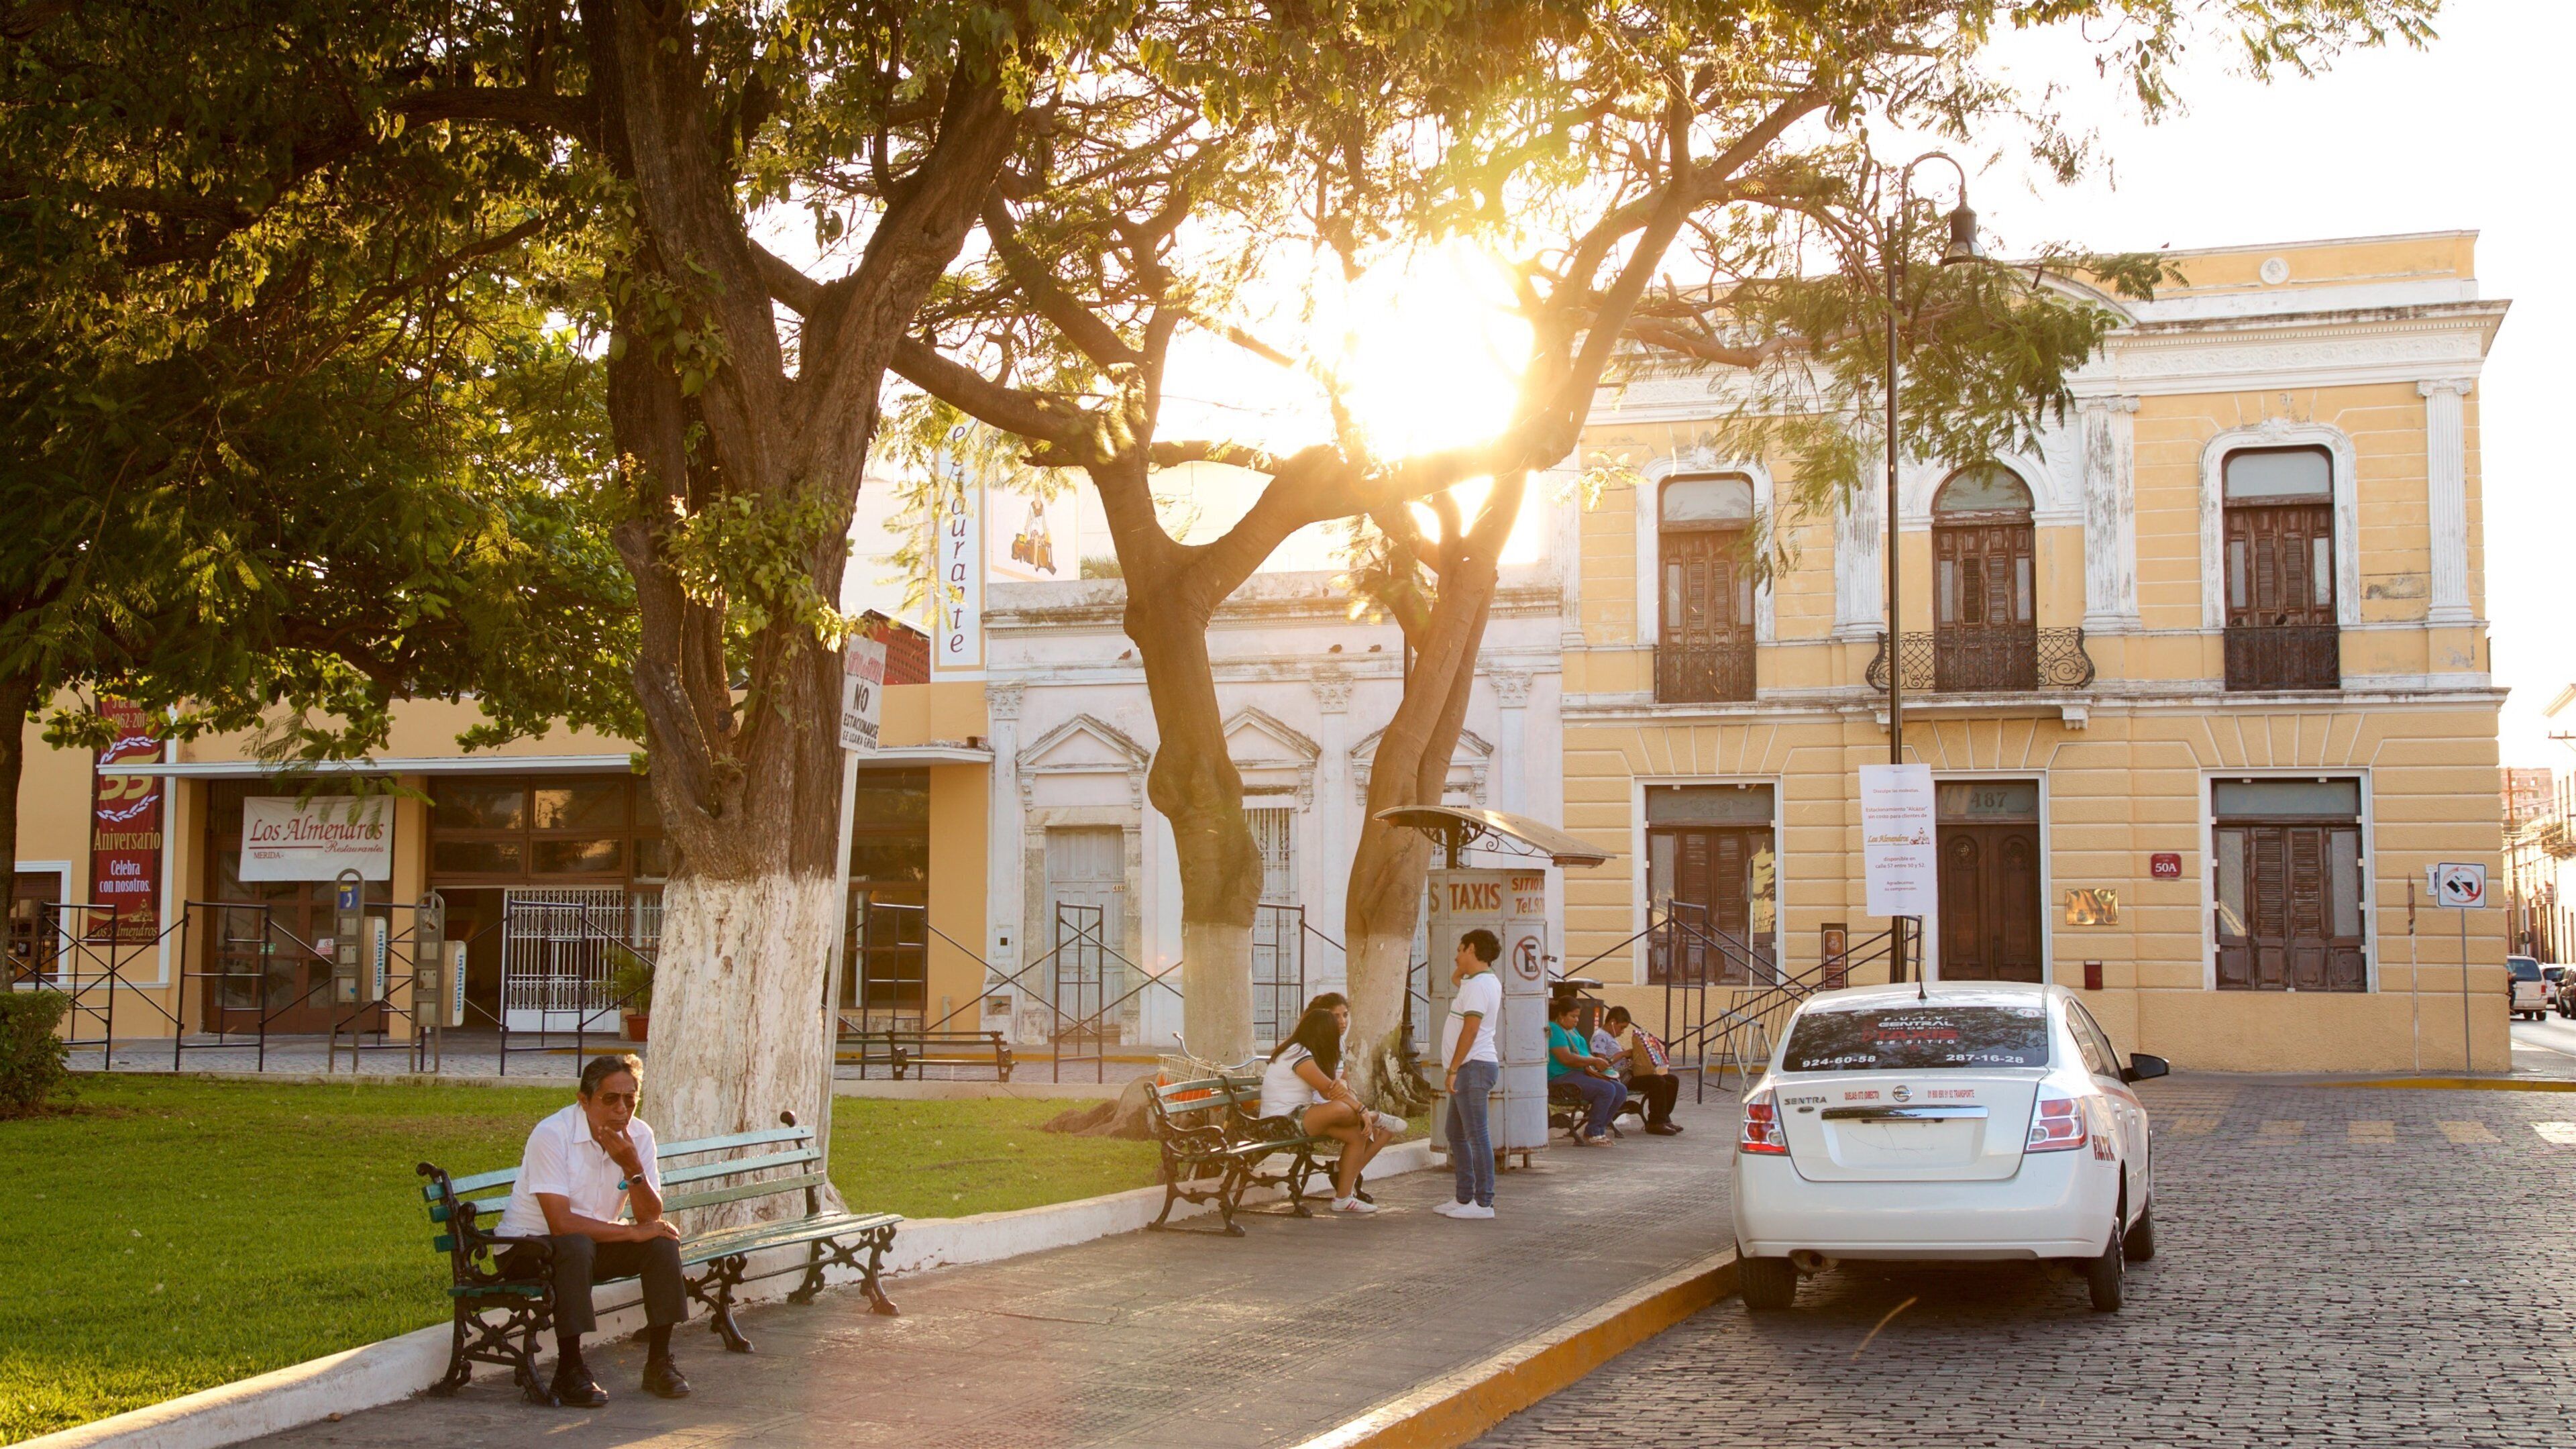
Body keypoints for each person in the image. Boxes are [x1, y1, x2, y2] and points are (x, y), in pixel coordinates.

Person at [492, 1053, 692, 1406]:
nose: (622, 1109)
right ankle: (570, 1370)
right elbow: (561, 1223)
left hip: (589, 1244)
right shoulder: (552, 1134)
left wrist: (632, 1167)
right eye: (610, 1099)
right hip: (524, 1249)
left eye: (630, 1098)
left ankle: (659, 1362)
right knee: (575, 1244)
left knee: (662, 1242)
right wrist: (630, 1233)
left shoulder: (640, 1135)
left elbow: (649, 1216)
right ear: (584, 1101)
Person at [1258, 1004, 1395, 1212]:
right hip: (1281, 1121)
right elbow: (1328, 1090)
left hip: (1301, 1115)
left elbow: (1330, 1090)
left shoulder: (1307, 1052)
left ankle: (1343, 1199)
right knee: (1342, 1110)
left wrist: (1354, 1103)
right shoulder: (1296, 1053)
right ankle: (1374, 1116)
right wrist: (1362, 1110)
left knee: (1358, 1135)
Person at [1436, 929, 1503, 1219]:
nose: (1455, 955)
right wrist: (1465, 965)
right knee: (1455, 1133)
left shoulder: (1478, 986)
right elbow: (1456, 978)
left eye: (1460, 949)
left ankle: (1484, 1202)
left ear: (1472, 948)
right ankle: (1464, 1198)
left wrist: (1453, 1068)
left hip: (1472, 1066)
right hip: (1469, 1067)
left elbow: (1471, 1029)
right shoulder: (1477, 981)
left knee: (1476, 1135)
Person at [1547, 998, 1627, 1146]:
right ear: (1561, 1015)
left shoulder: (1572, 1030)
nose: (1576, 1020)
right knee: (1607, 1090)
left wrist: (1599, 1065)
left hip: (1579, 1073)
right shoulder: (1554, 1028)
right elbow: (1566, 1058)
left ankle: (1599, 1129)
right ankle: (1592, 1132)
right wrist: (1594, 1061)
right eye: (1573, 1016)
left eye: (1578, 1016)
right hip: (1562, 1077)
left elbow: (1583, 1052)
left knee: (1620, 1090)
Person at [1601, 1005, 1683, 1135]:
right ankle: (1656, 1123)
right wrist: (1623, 1054)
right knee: (1657, 1081)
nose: (1622, 1032)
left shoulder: (1611, 1038)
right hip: (1619, 1079)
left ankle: (1664, 1118)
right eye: (1621, 1027)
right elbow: (1602, 1064)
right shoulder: (1600, 1037)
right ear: (1613, 1022)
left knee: (1671, 1080)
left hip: (1627, 1074)